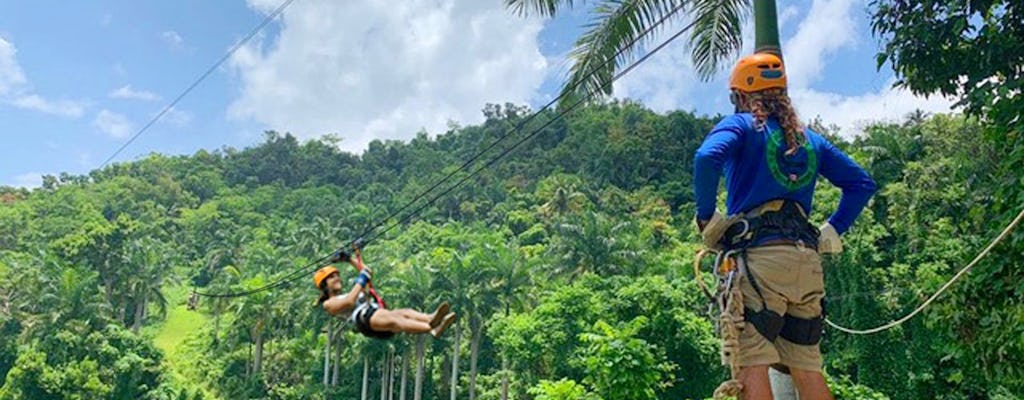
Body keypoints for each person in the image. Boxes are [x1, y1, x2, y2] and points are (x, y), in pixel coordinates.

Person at [693, 53, 876, 400]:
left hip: (761, 261)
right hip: (805, 262)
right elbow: (861, 183)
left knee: (751, 364)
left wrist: (707, 217)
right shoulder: (810, 140)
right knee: (807, 368)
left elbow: (706, 157)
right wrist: (833, 229)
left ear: (742, 96)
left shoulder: (742, 125)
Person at [314, 254, 456, 339]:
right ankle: (430, 329)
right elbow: (350, 302)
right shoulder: (329, 304)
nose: (337, 278)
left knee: (404, 312)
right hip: (365, 318)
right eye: (332, 278)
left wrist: (350, 259)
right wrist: (360, 281)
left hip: (373, 313)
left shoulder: (348, 293)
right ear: (324, 285)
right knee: (397, 320)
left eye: (337, 276)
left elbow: (367, 271)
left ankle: (430, 319)